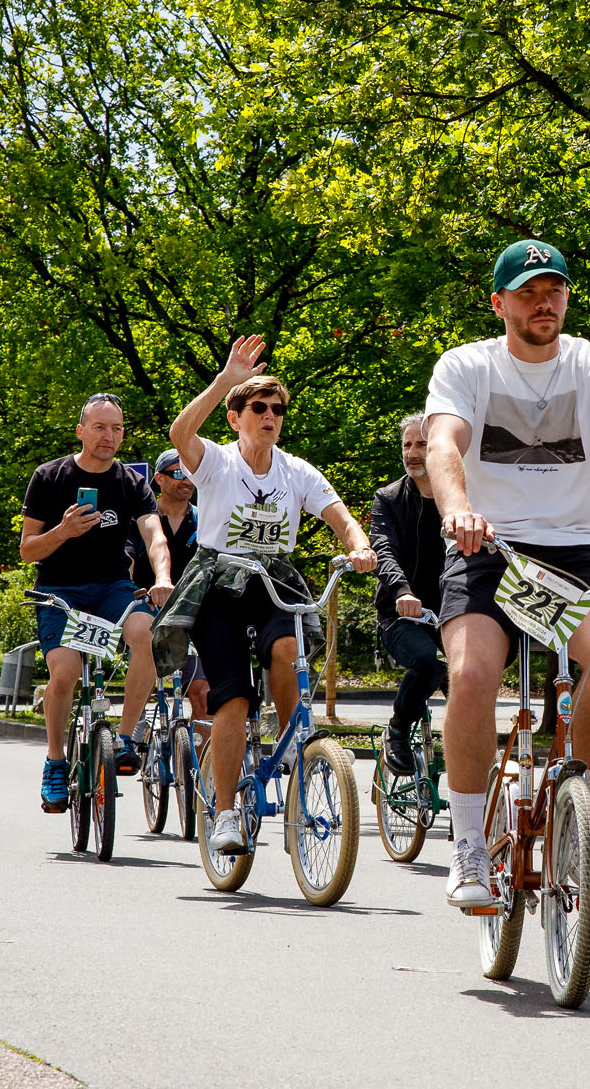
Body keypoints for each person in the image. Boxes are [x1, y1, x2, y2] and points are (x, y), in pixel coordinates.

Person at [424, 239, 590, 909]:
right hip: (489, 548)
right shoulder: (467, 367)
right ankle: (468, 848)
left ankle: (575, 808)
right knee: (473, 674)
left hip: (572, 553)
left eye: (555, 290)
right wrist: (457, 512)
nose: (545, 302)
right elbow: (444, 443)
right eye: (530, 291)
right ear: (500, 302)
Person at [157, 336, 378, 855]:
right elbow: (179, 431)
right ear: (236, 417)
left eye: (277, 409)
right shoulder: (214, 461)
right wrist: (224, 382)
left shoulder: (296, 471)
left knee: (286, 649)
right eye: (258, 407)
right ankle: (228, 812)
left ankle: (296, 749)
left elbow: (339, 516)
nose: (270, 416)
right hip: (218, 583)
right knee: (231, 695)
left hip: (273, 580)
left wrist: (360, 545)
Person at [21, 394, 174, 812]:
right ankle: (55, 759)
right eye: (101, 427)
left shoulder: (131, 482)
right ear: (81, 431)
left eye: (117, 428)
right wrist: (63, 532)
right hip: (59, 590)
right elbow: (28, 550)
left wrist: (162, 577)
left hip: (112, 588)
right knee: (66, 672)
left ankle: (125, 738)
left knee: (146, 634)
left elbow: (154, 536)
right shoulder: (49, 476)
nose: (110, 436)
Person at [370, 413, 448, 775]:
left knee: (470, 680)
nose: (413, 453)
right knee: (428, 664)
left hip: (453, 610)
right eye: (407, 445)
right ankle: (397, 731)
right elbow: (383, 550)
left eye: (422, 444)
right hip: (400, 615)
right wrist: (402, 591)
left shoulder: (460, 499)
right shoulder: (388, 498)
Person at [126, 448, 211, 735]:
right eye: (178, 473)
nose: (186, 480)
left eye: (190, 474)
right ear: (159, 479)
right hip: (148, 613)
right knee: (146, 682)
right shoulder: (142, 521)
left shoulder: (205, 521)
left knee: (201, 692)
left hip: (194, 617)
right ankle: (134, 733)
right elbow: (127, 562)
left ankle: (203, 774)